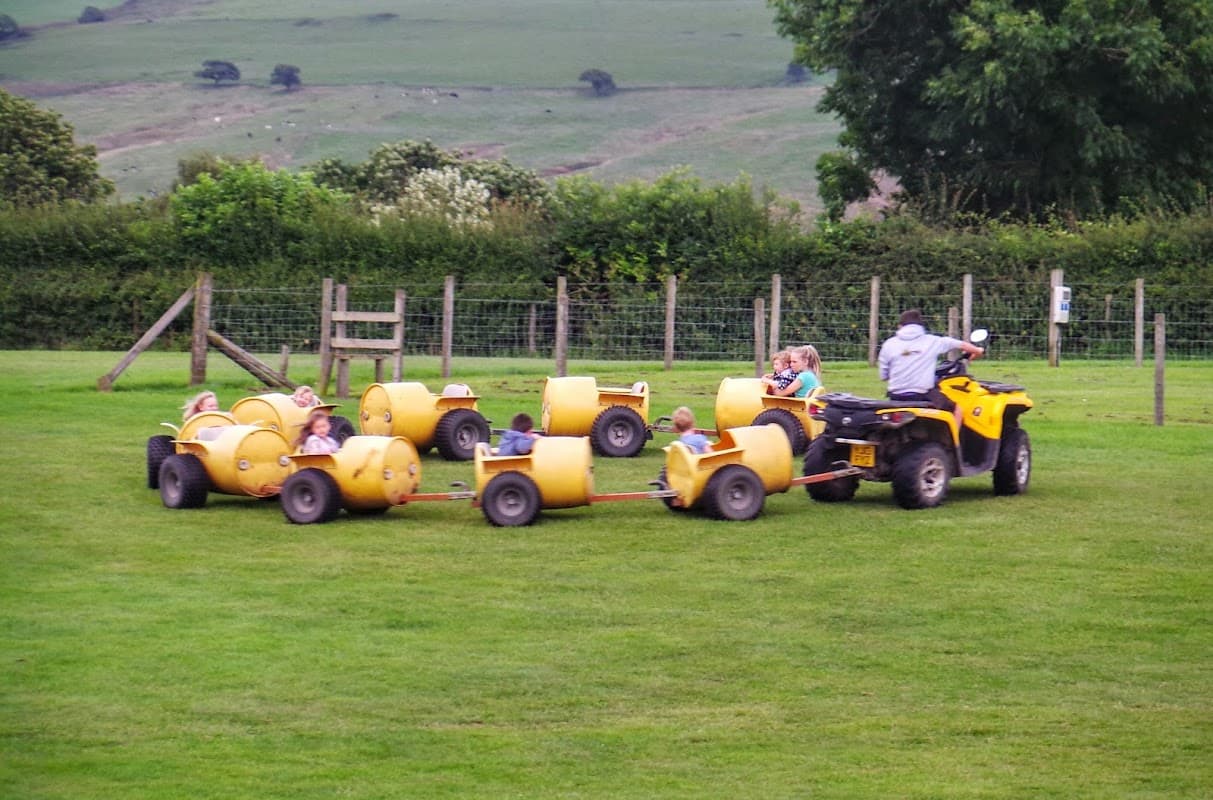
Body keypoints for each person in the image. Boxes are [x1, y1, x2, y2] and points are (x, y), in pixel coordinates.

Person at [878, 308, 983, 427]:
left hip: (895, 397)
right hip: (922, 394)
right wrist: (977, 351)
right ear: (920, 325)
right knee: (957, 409)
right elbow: (960, 344)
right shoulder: (932, 341)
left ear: (900, 326)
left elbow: (883, 376)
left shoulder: (888, 344)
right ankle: (954, 443)